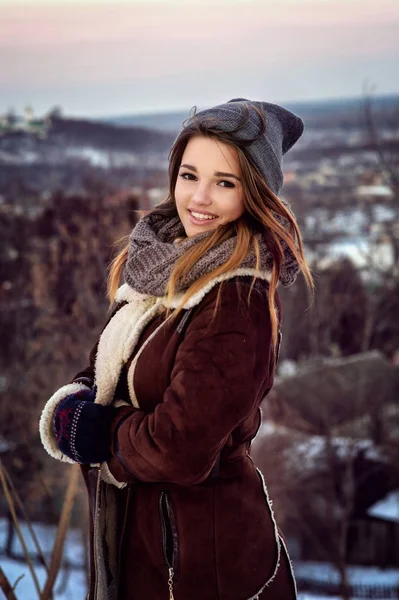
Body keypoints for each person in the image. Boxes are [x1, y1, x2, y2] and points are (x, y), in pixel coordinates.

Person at [39, 98, 313, 600]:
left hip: (198, 566)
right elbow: (113, 365)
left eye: (225, 183)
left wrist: (103, 431)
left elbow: (179, 448)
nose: (199, 198)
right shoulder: (161, 265)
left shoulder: (235, 297)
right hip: (145, 543)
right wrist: (74, 403)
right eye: (189, 175)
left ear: (253, 195)